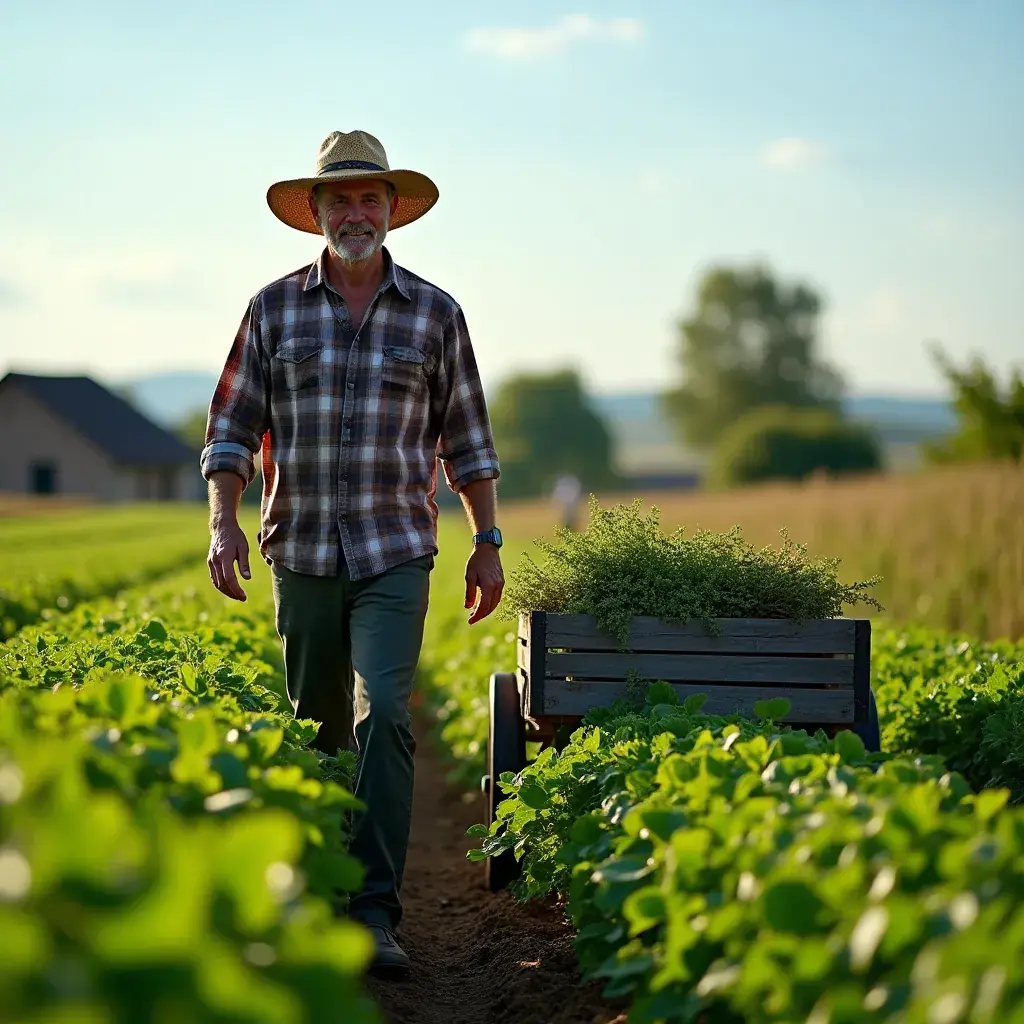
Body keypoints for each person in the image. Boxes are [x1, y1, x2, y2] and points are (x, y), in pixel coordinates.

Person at [201, 130, 504, 976]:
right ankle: (321, 897)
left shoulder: (437, 314)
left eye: (372, 198)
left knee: (386, 719)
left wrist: (486, 542)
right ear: (318, 214)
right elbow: (230, 430)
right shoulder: (273, 308)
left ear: (393, 209)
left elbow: (467, 442)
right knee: (318, 729)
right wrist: (223, 524)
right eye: (341, 199)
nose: (357, 212)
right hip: (299, 548)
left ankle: (374, 912)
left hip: (394, 550)